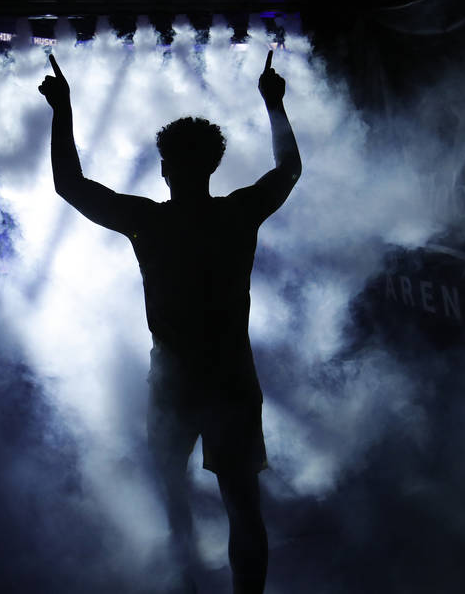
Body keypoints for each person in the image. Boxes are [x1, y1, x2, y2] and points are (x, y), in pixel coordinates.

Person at [39, 48, 301, 594]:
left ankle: (187, 582)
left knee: (172, 491)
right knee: (242, 506)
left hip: (175, 380)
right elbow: (288, 170)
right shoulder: (236, 213)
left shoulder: (148, 221)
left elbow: (70, 185)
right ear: (211, 166)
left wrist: (62, 108)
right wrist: (274, 104)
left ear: (165, 168)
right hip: (230, 376)